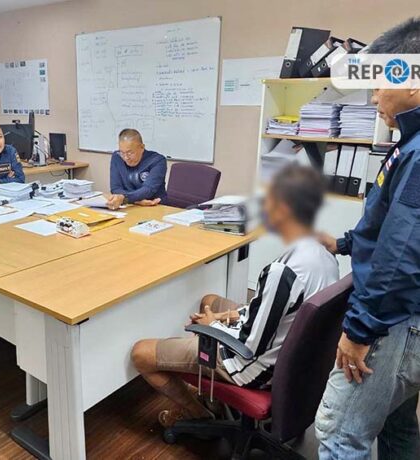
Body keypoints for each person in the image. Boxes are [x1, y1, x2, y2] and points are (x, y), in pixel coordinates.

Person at [132, 165, 339, 427]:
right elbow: (274, 310)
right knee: (209, 300)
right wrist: (224, 314)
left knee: (141, 353)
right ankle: (209, 396)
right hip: (292, 355)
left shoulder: (282, 272)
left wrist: (213, 326)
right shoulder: (325, 255)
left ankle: (198, 413)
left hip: (253, 367)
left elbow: (250, 346)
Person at [315, 18, 420, 460]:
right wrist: (344, 243)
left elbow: (402, 254)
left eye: (378, 85)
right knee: (397, 426)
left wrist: (359, 331)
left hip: (393, 321)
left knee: (339, 435)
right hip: (405, 316)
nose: (374, 97)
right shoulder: (408, 143)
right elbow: (390, 225)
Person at [107, 128, 167, 210]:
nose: (126, 157)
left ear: (142, 147)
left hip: (154, 206)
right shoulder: (117, 157)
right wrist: (134, 201)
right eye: (122, 153)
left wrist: (125, 198)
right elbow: (115, 188)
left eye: (130, 153)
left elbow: (148, 190)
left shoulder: (157, 160)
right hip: (129, 206)